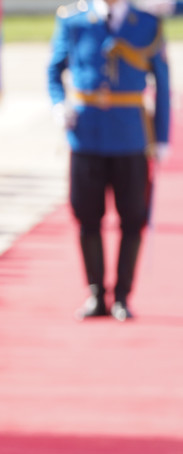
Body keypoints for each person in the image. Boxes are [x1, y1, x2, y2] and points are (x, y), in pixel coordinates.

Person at [47, 0, 169, 321]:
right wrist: (60, 106)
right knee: (87, 216)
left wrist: (162, 137)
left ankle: (123, 297)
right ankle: (96, 293)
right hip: (87, 135)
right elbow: (54, 70)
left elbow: (163, 82)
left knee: (132, 218)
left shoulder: (146, 22)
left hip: (130, 138)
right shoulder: (72, 20)